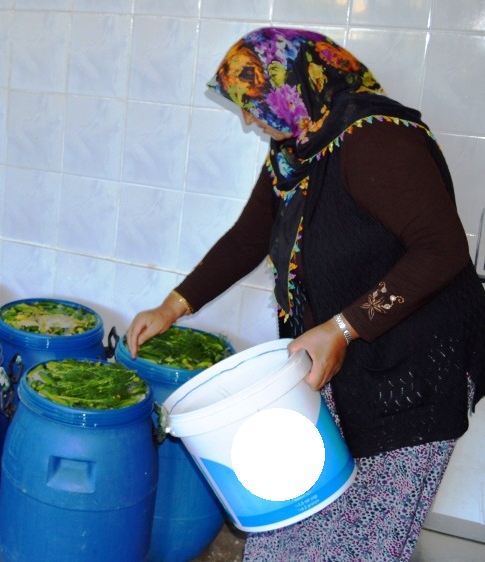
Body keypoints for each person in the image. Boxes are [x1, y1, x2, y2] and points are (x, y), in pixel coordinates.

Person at [125, 27, 485, 561]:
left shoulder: (376, 141)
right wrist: (174, 304)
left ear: (292, 87)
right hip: (339, 364)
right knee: (289, 522)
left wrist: (342, 327)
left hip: (411, 375)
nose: (248, 121)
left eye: (253, 105)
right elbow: (251, 234)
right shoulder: (298, 147)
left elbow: (442, 251)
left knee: (361, 540)